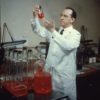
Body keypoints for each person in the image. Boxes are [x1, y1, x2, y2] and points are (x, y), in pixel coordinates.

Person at [31, 5, 81, 100]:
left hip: (64, 79)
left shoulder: (75, 34)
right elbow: (38, 30)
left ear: (72, 19)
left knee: (65, 98)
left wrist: (53, 31)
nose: (61, 17)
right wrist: (35, 17)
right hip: (51, 76)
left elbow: (68, 45)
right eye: (61, 15)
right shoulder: (56, 31)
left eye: (65, 16)